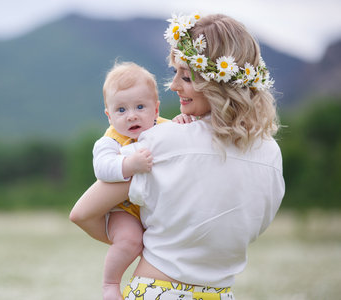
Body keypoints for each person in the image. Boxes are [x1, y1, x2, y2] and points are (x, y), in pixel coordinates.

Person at [70, 13, 285, 300]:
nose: (173, 86)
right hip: (220, 294)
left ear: (215, 81)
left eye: (186, 76)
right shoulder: (270, 153)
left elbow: (82, 213)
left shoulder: (160, 142)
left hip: (157, 291)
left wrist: (133, 242)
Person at [93, 61, 169, 300]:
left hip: (156, 207)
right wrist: (129, 165)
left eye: (140, 107)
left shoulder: (166, 129)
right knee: (129, 240)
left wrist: (185, 123)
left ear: (156, 110)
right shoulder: (111, 141)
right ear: (109, 115)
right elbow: (102, 168)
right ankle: (110, 284)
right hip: (126, 210)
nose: (132, 116)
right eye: (121, 110)